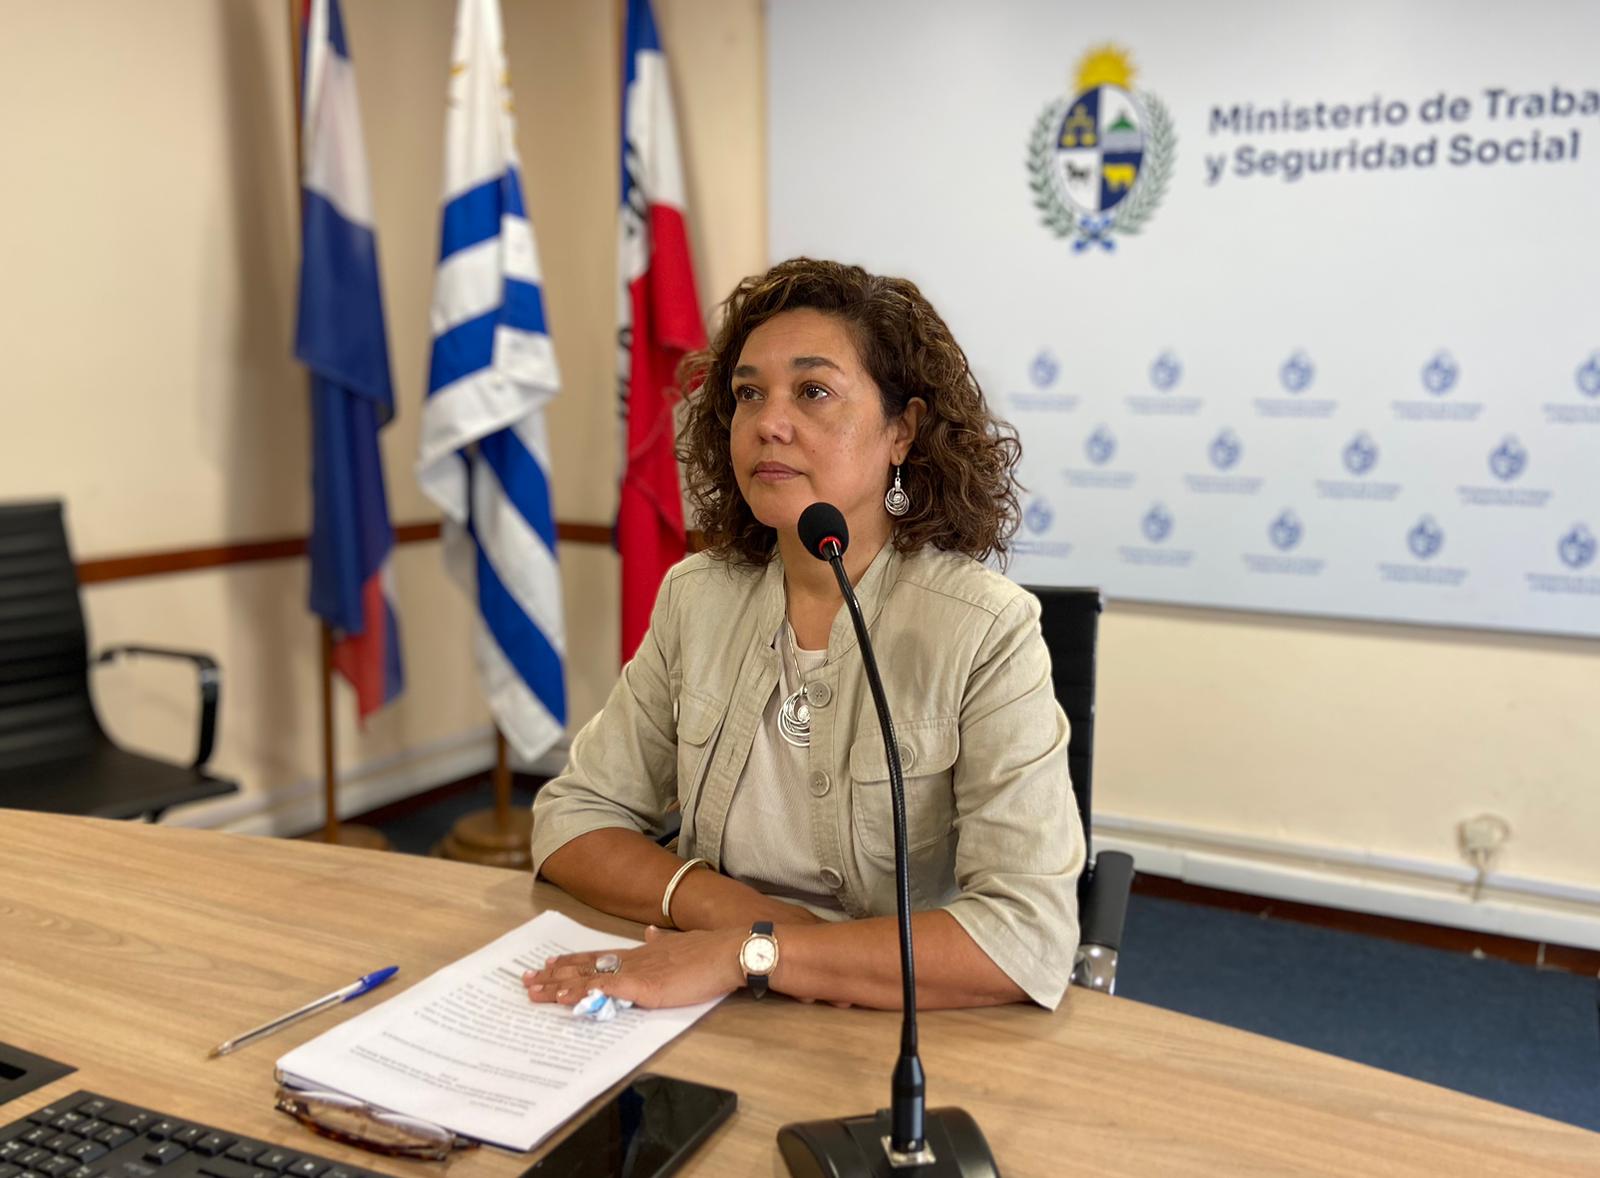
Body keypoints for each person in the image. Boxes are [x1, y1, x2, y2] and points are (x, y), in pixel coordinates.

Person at [523, 258, 1084, 1012]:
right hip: (707, 994)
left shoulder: (986, 629)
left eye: (813, 392)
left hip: (899, 1018)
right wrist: (737, 923)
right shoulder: (697, 597)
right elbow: (572, 818)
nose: (768, 423)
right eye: (749, 393)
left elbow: (1028, 934)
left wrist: (754, 953)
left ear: (901, 431)